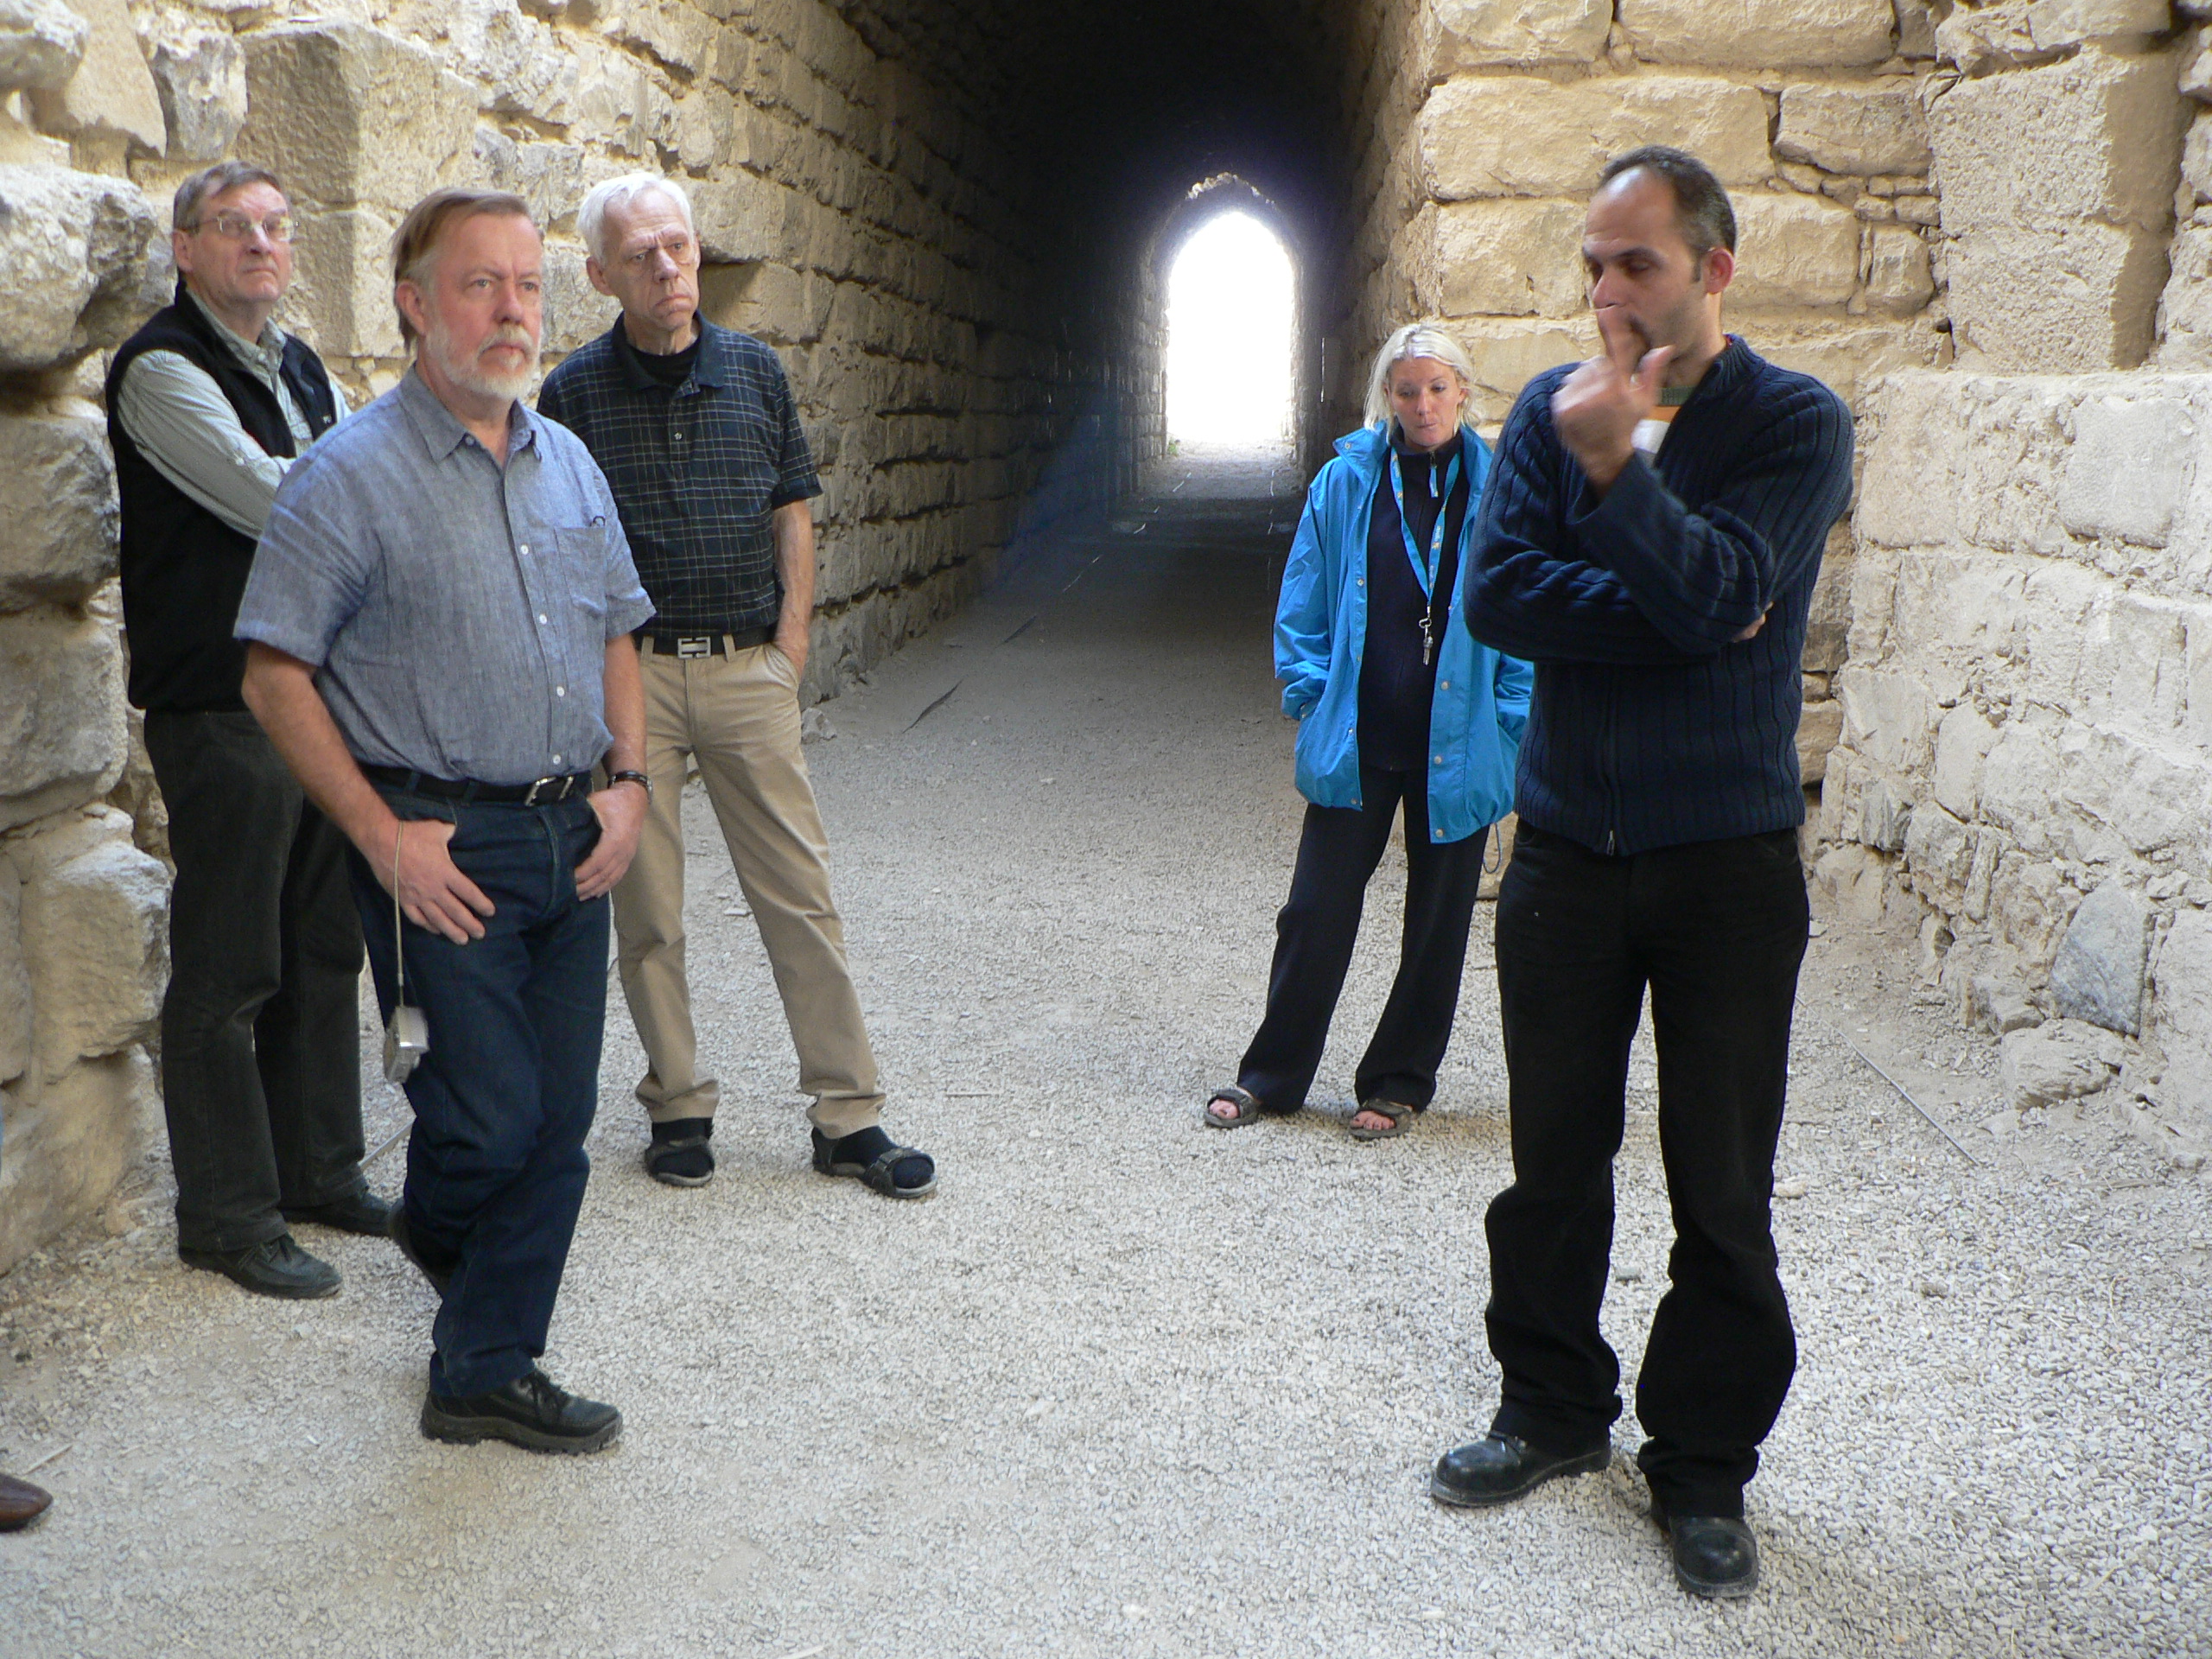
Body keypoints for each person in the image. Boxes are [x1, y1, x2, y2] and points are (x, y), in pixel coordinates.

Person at [1428, 147, 1853, 1599]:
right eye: (1595, 263)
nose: (1608, 292)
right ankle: (1551, 1407)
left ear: (1714, 269)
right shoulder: (1550, 412)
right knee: (1552, 1161)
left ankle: (1704, 1466)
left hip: (1725, 862)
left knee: (1721, 1183)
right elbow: (1500, 596)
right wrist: (1674, 599)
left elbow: (1735, 586)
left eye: (1640, 263)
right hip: (1568, 853)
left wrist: (1617, 476)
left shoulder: (1793, 422)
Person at [236, 187, 656, 1454]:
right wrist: (382, 839)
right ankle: (437, 1226)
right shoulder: (347, 476)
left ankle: (483, 1366)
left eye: (528, 284)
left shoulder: (568, 460)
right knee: (486, 1121)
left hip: (574, 838)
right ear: (415, 305)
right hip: (439, 849)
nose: (512, 309)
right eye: (481, 285)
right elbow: (273, 675)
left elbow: (618, 631)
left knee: (560, 1124)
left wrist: (630, 785)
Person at [537, 173, 934, 1198]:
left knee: (799, 897)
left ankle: (848, 1116)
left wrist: (789, 649)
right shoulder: (572, 394)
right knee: (648, 910)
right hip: (633, 683)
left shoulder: (755, 372)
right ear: (600, 276)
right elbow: (555, 546)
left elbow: (791, 510)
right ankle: (677, 1106)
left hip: (747, 666)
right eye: (640, 256)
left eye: (678, 246)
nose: (667, 269)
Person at [105, 160, 386, 1300]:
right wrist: (366, 499)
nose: (261, 243)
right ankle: (226, 1217)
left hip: (313, 700)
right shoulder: (162, 367)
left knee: (323, 945)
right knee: (231, 966)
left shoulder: (298, 363)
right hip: (222, 707)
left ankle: (317, 1171)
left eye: (275, 225)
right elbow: (274, 499)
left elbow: (347, 476)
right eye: (232, 227)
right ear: (185, 248)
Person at [1204, 325, 1530, 1140]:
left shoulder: (1500, 489)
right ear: (1387, 396)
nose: (1423, 405)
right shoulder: (1346, 481)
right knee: (1314, 910)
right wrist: (1311, 696)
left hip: (1459, 742)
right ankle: (1272, 1076)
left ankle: (1396, 1082)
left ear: (1463, 392)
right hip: (1362, 737)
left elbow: (1525, 616)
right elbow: (1305, 596)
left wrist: (1512, 725)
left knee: (1437, 924)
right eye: (1407, 390)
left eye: (1437, 388)